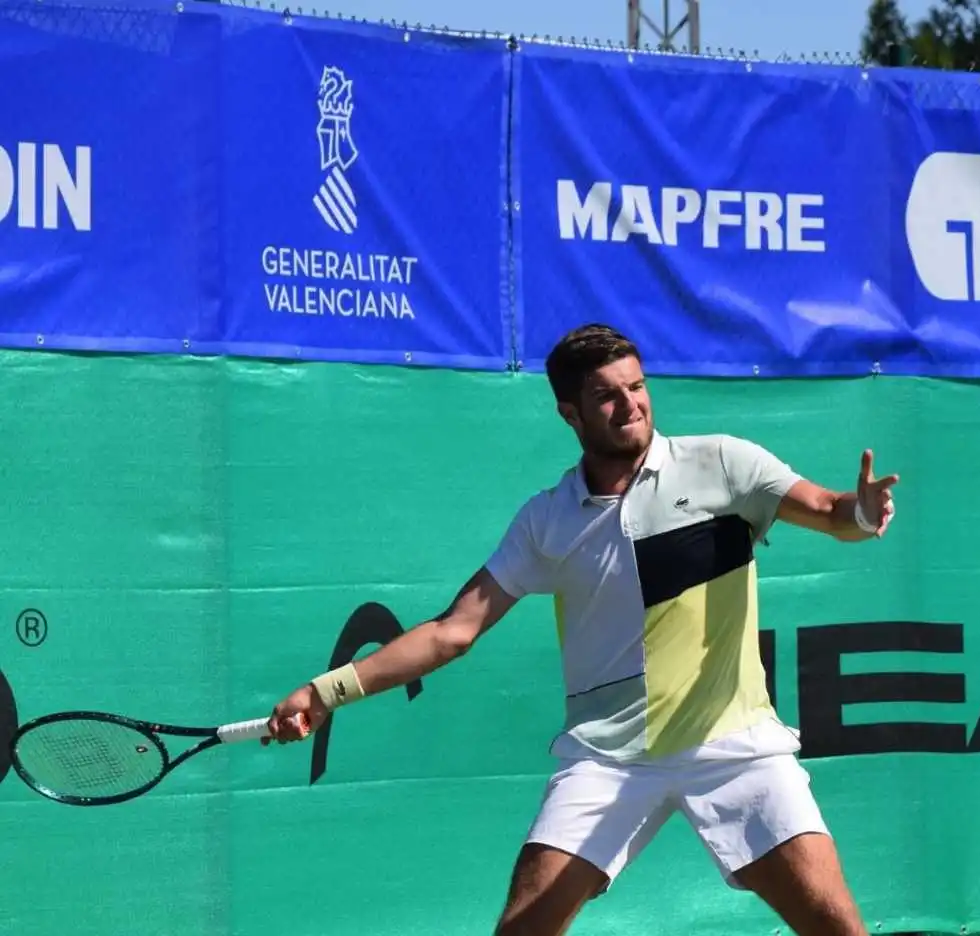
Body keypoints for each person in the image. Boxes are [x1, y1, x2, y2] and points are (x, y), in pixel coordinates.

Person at [264, 323, 899, 935]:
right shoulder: (547, 521)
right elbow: (453, 631)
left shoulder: (723, 464)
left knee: (834, 924)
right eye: (607, 396)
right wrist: (325, 692)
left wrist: (864, 512)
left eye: (637, 386)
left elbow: (829, 510)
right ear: (571, 414)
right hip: (607, 758)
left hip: (735, 746)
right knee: (523, 930)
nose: (632, 405)